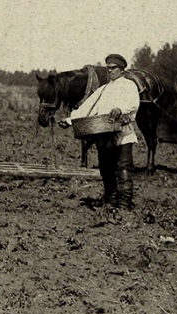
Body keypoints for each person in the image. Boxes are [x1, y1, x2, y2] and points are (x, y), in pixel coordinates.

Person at [59, 54, 140, 211]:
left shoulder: (129, 85)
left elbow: (133, 104)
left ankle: (124, 204)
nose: (109, 71)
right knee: (106, 169)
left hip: (123, 134)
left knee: (123, 168)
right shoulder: (103, 89)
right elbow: (86, 108)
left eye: (113, 68)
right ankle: (110, 200)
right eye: (107, 68)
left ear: (121, 70)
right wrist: (70, 120)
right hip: (103, 134)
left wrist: (120, 109)